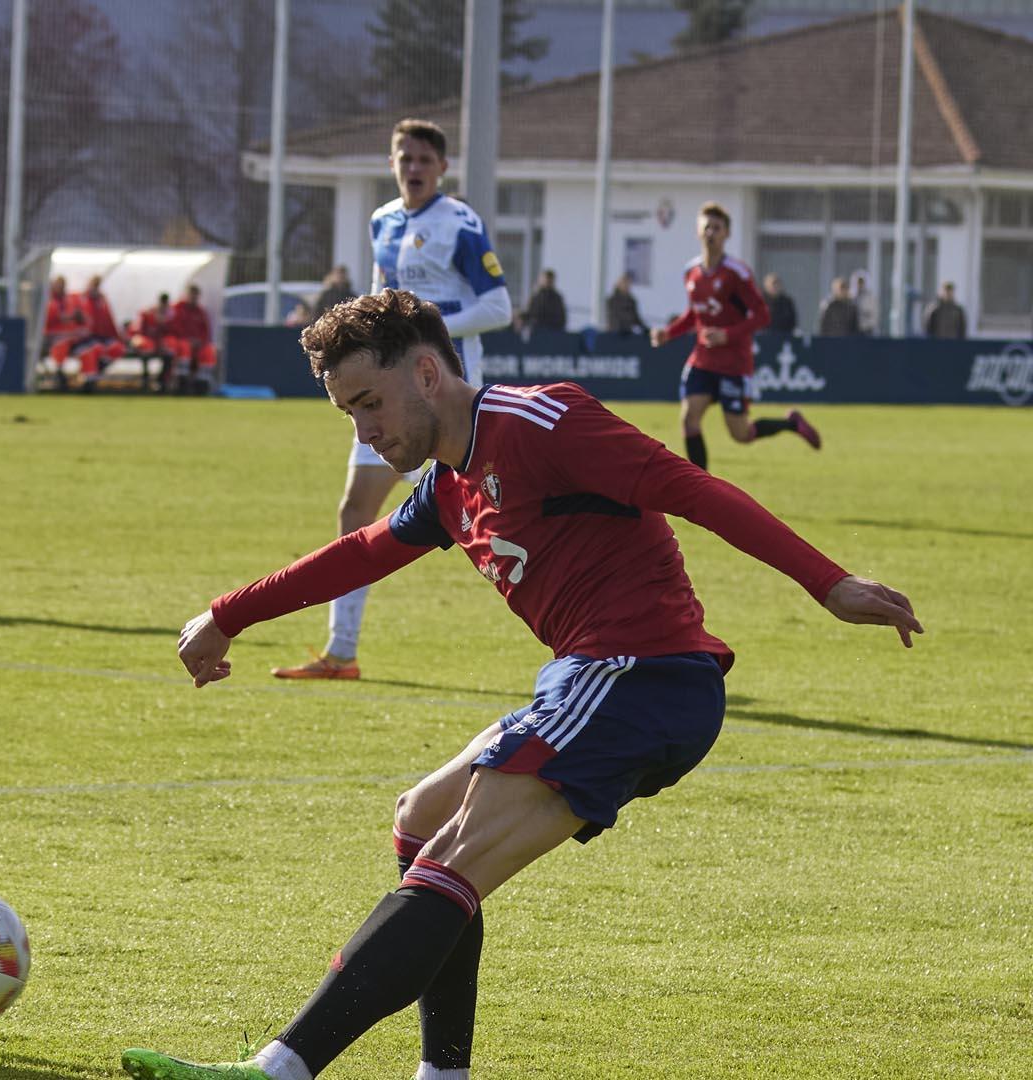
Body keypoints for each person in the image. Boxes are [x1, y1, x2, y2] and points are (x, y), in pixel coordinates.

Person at [121, 289, 922, 1080]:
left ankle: (277, 1071)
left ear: (427, 374)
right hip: (592, 680)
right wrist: (228, 614)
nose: (364, 431)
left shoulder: (542, 420)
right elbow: (362, 552)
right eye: (348, 414)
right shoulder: (448, 485)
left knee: (452, 857)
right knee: (421, 819)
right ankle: (443, 1075)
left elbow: (690, 487)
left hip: (643, 676)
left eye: (370, 404)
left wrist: (829, 583)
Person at [273, 117, 511, 682]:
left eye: (425, 160)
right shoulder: (382, 221)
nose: (414, 168)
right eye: (405, 158)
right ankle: (341, 653)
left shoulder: (460, 224)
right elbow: (383, 299)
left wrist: (425, 329)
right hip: (386, 394)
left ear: (442, 168)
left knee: (491, 521)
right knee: (355, 510)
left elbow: (498, 307)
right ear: (392, 164)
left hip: (441, 399)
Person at [649, 202, 821, 473]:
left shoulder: (736, 273)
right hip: (702, 360)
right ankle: (701, 487)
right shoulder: (690, 272)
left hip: (734, 363)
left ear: (727, 233)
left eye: (717, 228)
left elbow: (762, 315)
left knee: (741, 434)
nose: (711, 232)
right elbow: (695, 314)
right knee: (689, 419)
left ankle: (792, 423)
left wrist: (726, 335)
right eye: (706, 227)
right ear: (698, 231)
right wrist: (668, 333)